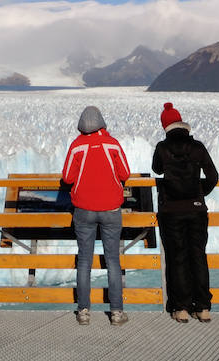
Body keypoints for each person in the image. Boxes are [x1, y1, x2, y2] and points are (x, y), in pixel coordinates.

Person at [61, 104, 131, 326]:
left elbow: (67, 178)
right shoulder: (113, 145)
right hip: (111, 209)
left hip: (84, 210)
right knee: (113, 260)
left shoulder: (77, 146)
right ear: (102, 123)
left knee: (84, 260)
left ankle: (83, 311)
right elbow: (125, 173)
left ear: (81, 125)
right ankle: (117, 313)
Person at [151, 101, 219, 323]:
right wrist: (199, 193)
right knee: (198, 256)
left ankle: (180, 308)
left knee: (177, 257)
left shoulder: (162, 148)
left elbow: (157, 169)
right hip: (197, 210)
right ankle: (202, 307)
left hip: (171, 211)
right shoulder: (197, 147)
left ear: (165, 127)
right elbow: (212, 176)